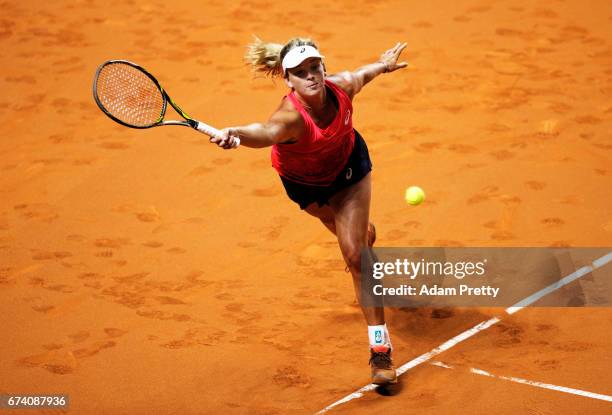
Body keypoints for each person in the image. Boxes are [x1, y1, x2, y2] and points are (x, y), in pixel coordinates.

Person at [211, 37, 408, 385]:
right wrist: (236, 134)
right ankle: (363, 237)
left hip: (349, 171)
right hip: (305, 184)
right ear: (288, 80)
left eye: (314, 67)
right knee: (360, 238)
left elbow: (363, 75)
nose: (311, 76)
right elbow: (264, 132)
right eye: (300, 73)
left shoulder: (341, 86)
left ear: (323, 67)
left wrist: (383, 65)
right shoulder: (290, 118)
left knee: (355, 255)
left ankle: (380, 352)